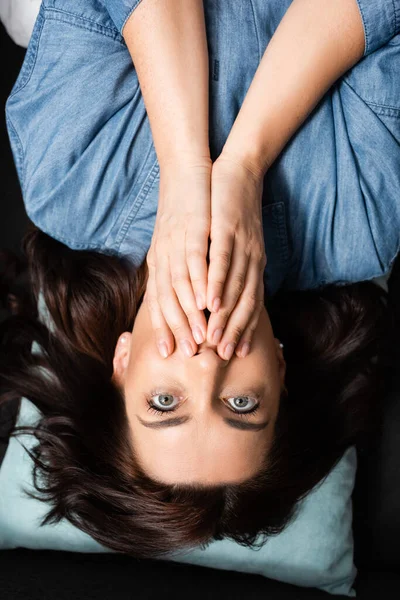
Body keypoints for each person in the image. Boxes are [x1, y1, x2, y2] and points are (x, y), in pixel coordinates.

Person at [0, 0, 398, 558]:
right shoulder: (362, 220)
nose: (207, 361)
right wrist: (243, 166)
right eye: (241, 405)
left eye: (165, 400)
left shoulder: (68, 182)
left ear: (122, 361)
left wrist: (186, 168)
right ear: (279, 371)